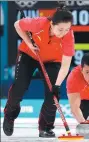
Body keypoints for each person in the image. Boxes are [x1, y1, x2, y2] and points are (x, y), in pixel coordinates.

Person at [3, 6, 75, 138]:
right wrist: (29, 43)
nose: (63, 33)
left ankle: (46, 127)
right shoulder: (39, 23)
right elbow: (17, 24)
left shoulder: (68, 37)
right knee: (20, 87)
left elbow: (65, 66)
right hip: (29, 54)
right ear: (52, 23)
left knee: (53, 94)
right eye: (60, 29)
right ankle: (10, 115)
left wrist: (57, 85)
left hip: (53, 60)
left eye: (67, 29)